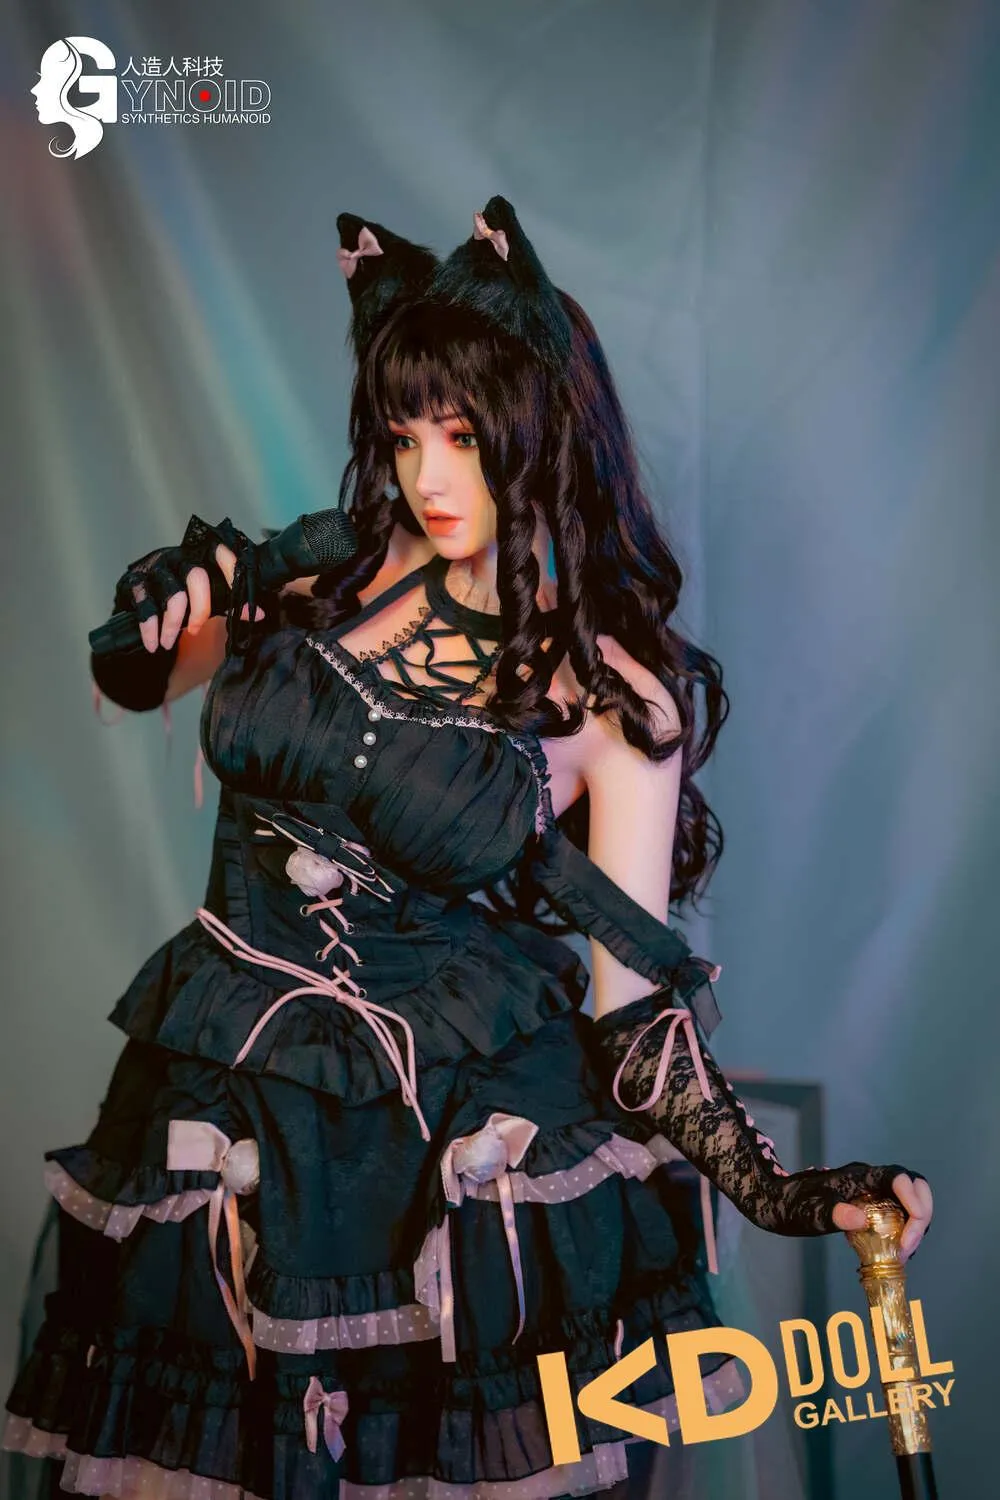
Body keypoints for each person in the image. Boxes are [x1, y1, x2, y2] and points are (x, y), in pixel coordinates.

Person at [3, 197, 933, 1500]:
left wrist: (782, 1194)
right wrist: (159, 613)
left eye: (464, 437)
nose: (430, 479)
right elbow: (145, 672)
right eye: (405, 436)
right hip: (218, 1103)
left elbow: (633, 1016)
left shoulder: (615, 703)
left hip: (437, 1154)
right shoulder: (311, 581)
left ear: (542, 434)